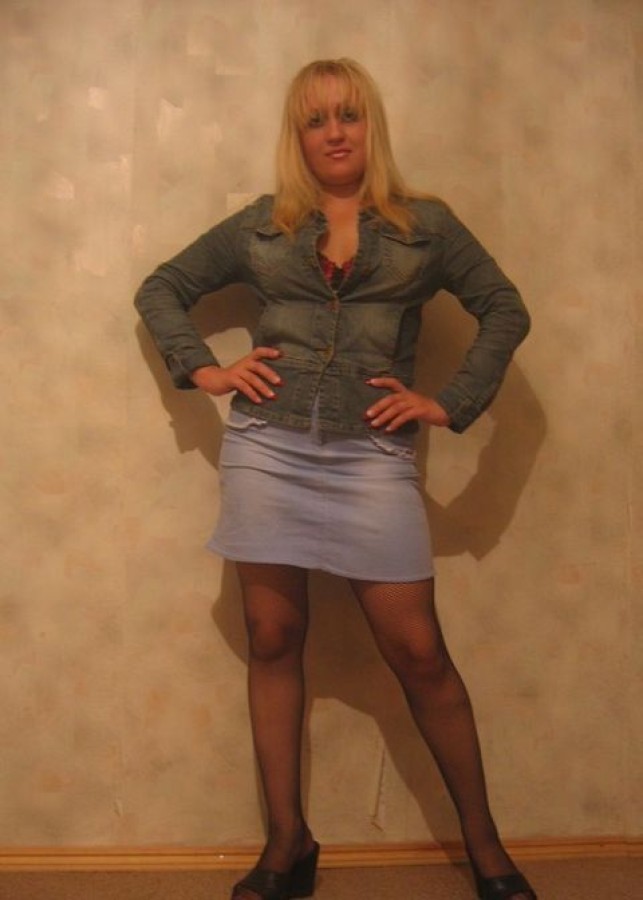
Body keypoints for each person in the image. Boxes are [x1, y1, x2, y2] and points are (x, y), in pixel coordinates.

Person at [135, 58, 535, 900]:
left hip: (370, 458)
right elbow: (161, 287)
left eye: (347, 114)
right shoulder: (262, 225)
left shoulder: (426, 225)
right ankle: (287, 845)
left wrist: (449, 402)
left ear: (369, 124)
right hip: (267, 450)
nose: (334, 132)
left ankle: (487, 851)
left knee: (418, 653)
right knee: (273, 640)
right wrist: (206, 370)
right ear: (298, 136)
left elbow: (504, 309)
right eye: (315, 120)